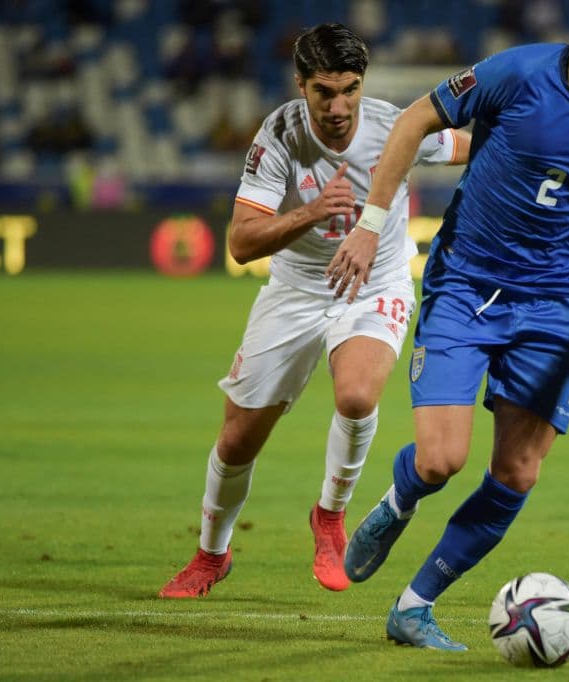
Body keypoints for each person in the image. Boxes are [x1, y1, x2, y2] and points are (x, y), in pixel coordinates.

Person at [326, 0, 569, 650]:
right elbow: (412, 122)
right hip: (466, 285)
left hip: (552, 308)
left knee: (518, 472)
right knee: (441, 460)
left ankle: (414, 606)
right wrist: (371, 225)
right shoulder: (516, 75)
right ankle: (399, 502)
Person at [159, 23, 470, 598]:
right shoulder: (277, 135)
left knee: (357, 395)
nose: (338, 106)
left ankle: (330, 515)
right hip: (297, 288)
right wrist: (311, 212)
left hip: (375, 283)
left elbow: (466, 145)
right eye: (324, 91)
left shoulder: (393, 127)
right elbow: (242, 242)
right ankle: (211, 555)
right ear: (301, 85)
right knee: (236, 442)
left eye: (349, 89)